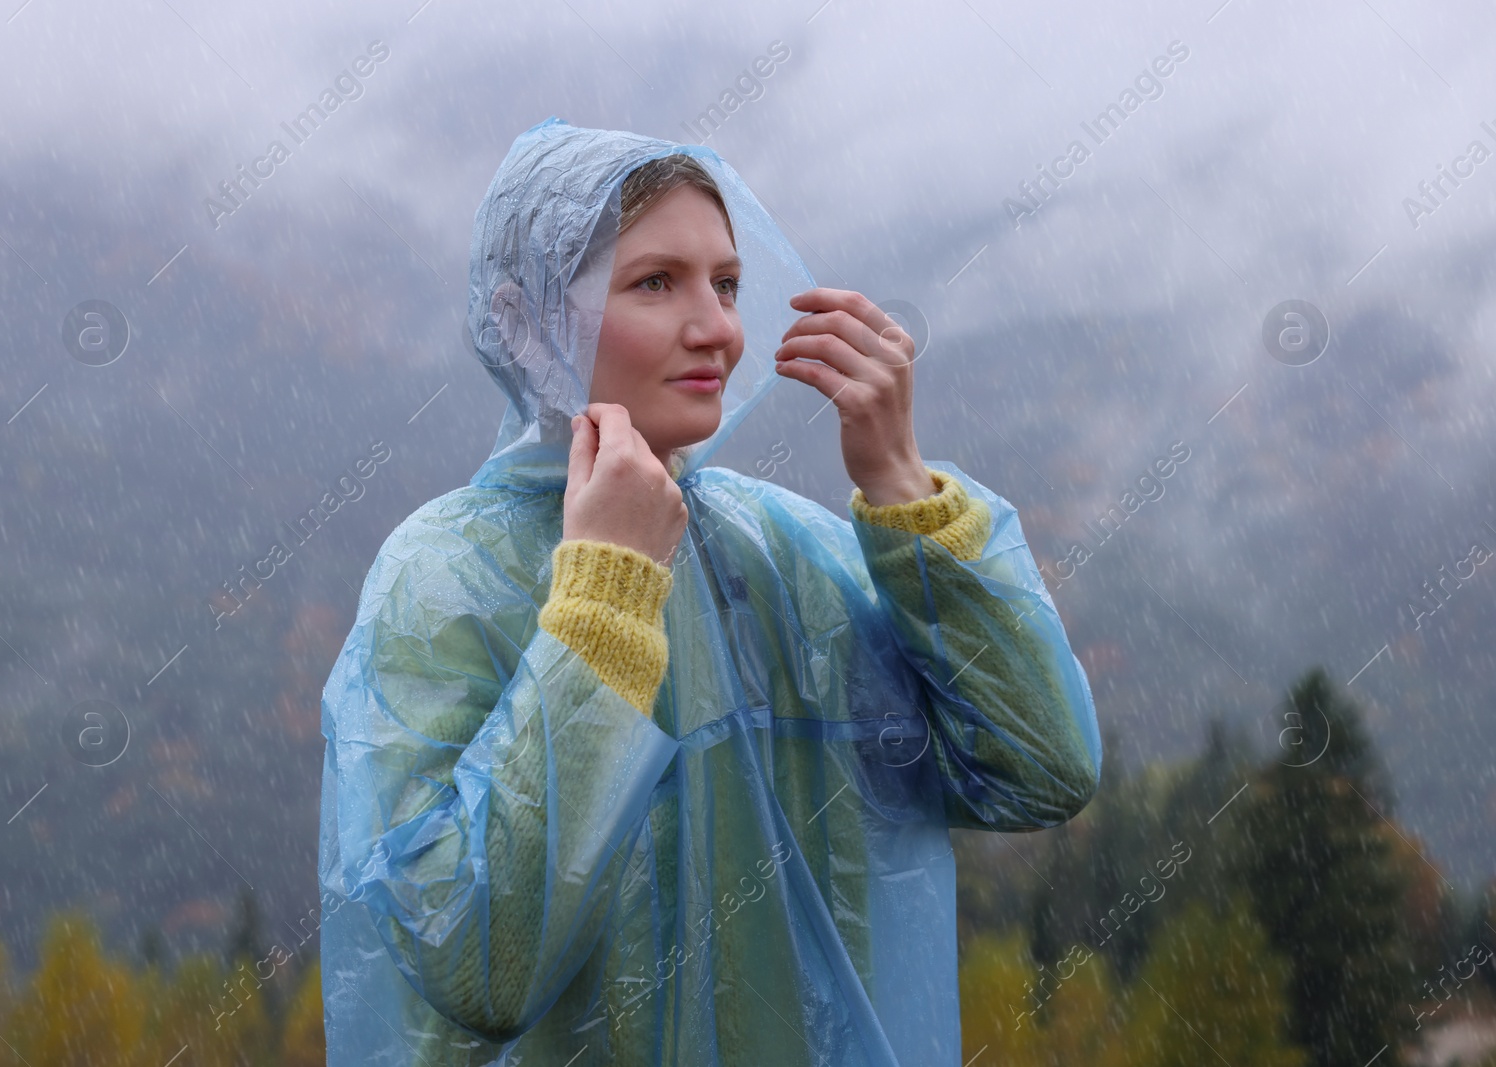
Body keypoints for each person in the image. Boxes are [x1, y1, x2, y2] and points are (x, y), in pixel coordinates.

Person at [318, 117, 1101, 1066]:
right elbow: (479, 962)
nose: (719, 328)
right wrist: (606, 596)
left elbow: (1037, 768)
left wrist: (898, 478)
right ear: (520, 325)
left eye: (726, 284)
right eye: (657, 282)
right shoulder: (445, 577)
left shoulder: (782, 554)